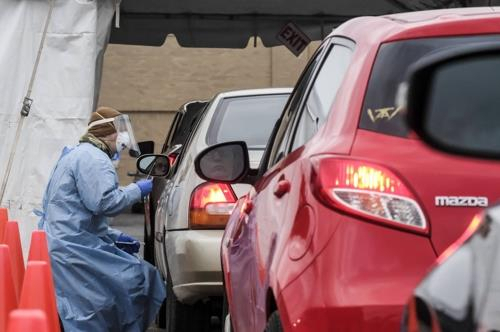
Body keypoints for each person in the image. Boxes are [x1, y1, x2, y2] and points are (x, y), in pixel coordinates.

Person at [37, 106, 166, 331]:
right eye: (120, 130)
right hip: (75, 248)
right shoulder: (93, 158)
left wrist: (112, 236)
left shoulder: (78, 154)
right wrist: (138, 189)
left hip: (69, 243)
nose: (123, 137)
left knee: (88, 305)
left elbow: (75, 210)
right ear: (110, 132)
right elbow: (104, 202)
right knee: (131, 284)